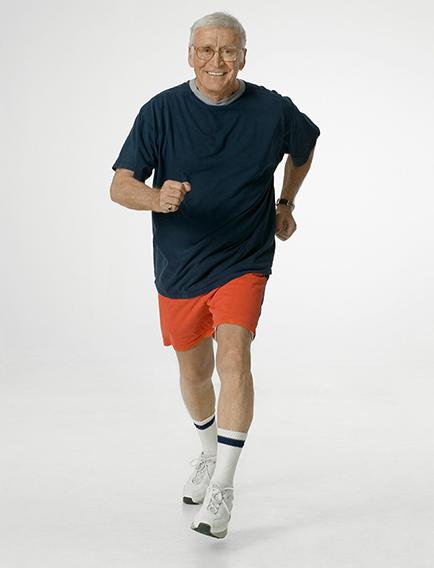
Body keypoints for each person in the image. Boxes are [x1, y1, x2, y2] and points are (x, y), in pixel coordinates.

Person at [110, 11, 320, 539]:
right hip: (180, 264)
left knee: (234, 353)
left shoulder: (272, 109)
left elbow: (305, 144)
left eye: (228, 51)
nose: (217, 61)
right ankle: (208, 452)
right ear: (190, 55)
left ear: (244, 57)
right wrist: (156, 197)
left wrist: (286, 202)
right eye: (206, 50)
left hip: (244, 257)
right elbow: (120, 185)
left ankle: (223, 486)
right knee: (195, 373)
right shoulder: (160, 111)